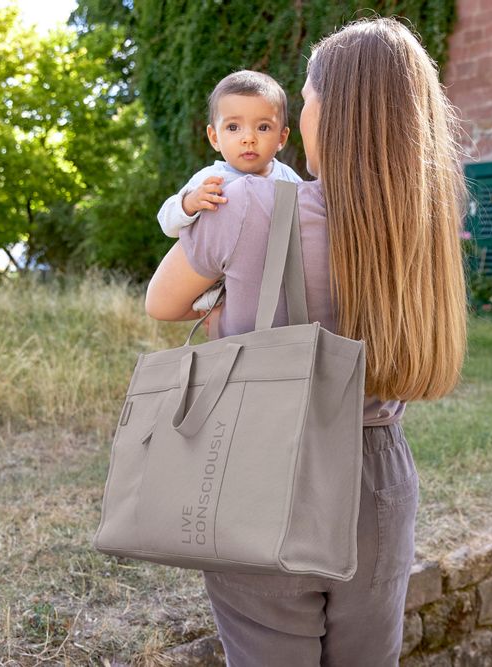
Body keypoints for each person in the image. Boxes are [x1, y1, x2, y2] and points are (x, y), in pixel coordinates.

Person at [145, 17, 468, 666]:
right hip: (378, 475)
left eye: (308, 94)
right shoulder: (426, 226)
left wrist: (228, 307)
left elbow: (162, 302)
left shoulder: (248, 206)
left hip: (264, 469)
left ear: (330, 112)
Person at [157, 69, 302, 313]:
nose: (249, 138)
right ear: (214, 137)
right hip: (225, 278)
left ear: (282, 137)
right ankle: (216, 305)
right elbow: (166, 223)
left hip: (275, 282)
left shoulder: (287, 177)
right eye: (233, 127)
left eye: (264, 127)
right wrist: (190, 203)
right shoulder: (213, 179)